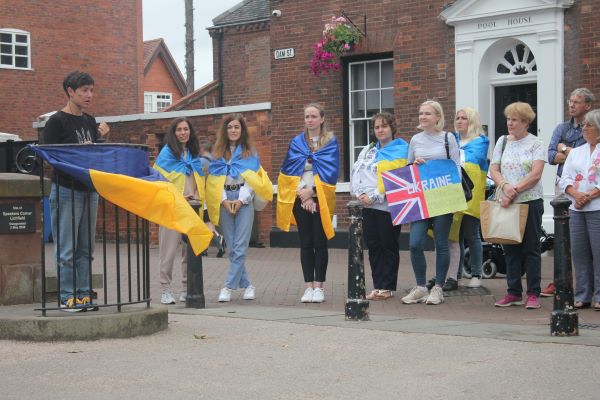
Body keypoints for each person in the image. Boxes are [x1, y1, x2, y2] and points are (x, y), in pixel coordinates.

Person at [43, 71, 110, 312]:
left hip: (89, 189)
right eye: (84, 90)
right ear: (70, 91)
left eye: (91, 90)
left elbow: (93, 156)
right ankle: (66, 296)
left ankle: (83, 295)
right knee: (67, 247)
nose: (89, 95)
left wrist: (100, 140)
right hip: (65, 190)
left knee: (85, 247)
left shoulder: (89, 121)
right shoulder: (56, 121)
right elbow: (50, 156)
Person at [276, 103, 340, 303]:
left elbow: (331, 172)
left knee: (320, 242)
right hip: (299, 197)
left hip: (320, 197)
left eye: (313, 116)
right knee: (306, 243)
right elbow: (288, 170)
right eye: (307, 117)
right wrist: (302, 193)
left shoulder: (330, 142)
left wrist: (312, 193)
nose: (310, 120)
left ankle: (319, 287)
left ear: (321, 119)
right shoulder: (297, 142)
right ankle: (308, 287)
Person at [206, 113, 273, 303]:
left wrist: (242, 199)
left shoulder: (250, 153)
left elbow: (254, 180)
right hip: (224, 199)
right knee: (232, 248)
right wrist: (225, 200)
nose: (233, 130)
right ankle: (247, 285)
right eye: (230, 127)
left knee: (240, 246)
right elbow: (213, 181)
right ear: (225, 131)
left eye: (237, 127)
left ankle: (227, 286)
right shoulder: (217, 153)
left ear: (242, 130)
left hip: (244, 200)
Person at [402, 100, 460, 306]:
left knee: (441, 243)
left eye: (427, 113)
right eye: (420, 113)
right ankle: (419, 287)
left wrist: (454, 197)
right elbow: (407, 169)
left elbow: (456, 167)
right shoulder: (415, 140)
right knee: (415, 243)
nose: (423, 117)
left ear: (438, 117)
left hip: (442, 195)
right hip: (421, 197)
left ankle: (438, 288)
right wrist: (414, 164)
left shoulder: (448, 138)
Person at [490, 102, 545, 309]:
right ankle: (513, 292)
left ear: (525, 122)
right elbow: (494, 169)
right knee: (510, 248)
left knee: (531, 249)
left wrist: (514, 191)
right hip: (506, 201)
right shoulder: (502, 142)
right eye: (508, 119)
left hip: (530, 201)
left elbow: (536, 174)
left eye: (514, 120)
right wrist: (505, 186)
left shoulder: (536, 143)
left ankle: (533, 293)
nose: (509, 123)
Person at [542, 88, 595, 297]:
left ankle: (588, 285)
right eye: (570, 101)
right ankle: (562, 280)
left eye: (577, 102)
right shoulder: (561, 128)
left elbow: (588, 156)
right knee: (564, 236)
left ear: (588, 106)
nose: (571, 105)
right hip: (564, 186)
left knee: (587, 239)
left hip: (589, 190)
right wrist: (569, 153)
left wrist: (565, 150)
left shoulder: (593, 128)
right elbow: (550, 156)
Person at [350, 112, 408, 300]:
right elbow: (356, 172)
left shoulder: (402, 149)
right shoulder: (368, 150)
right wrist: (361, 195)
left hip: (389, 206)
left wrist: (375, 196)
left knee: (388, 245)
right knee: (373, 246)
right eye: (377, 127)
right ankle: (377, 286)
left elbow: (399, 179)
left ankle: (388, 287)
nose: (380, 130)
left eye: (384, 126)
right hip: (367, 206)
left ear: (392, 128)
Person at [153, 118, 204, 304]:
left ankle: (185, 287)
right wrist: (179, 197)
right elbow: (158, 181)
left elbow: (199, 180)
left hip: (191, 208)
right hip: (172, 208)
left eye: (186, 129)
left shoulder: (193, 154)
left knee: (188, 252)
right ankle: (165, 289)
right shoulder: (166, 154)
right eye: (179, 130)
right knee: (168, 250)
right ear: (173, 133)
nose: (183, 133)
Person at [442, 108, 489, 290]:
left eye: (464, 118)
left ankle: (476, 273)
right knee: (455, 236)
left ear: (472, 121)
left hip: (472, 193)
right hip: (453, 191)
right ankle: (456, 274)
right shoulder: (451, 139)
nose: (459, 121)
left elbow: (471, 159)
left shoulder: (480, 141)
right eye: (457, 118)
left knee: (471, 234)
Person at [560, 109, 600, 310]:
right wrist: (576, 195)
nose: (584, 128)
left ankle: (599, 295)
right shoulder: (576, 152)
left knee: (598, 252)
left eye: (588, 125)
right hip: (577, 209)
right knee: (580, 253)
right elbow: (565, 177)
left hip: (597, 208)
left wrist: (589, 196)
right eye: (583, 125)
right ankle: (583, 294)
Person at [199, 140, 225, 258]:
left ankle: (218, 239)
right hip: (214, 196)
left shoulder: (201, 162)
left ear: (203, 150)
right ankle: (204, 248)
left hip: (202, 196)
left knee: (206, 222)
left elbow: (198, 179)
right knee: (206, 221)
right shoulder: (216, 162)